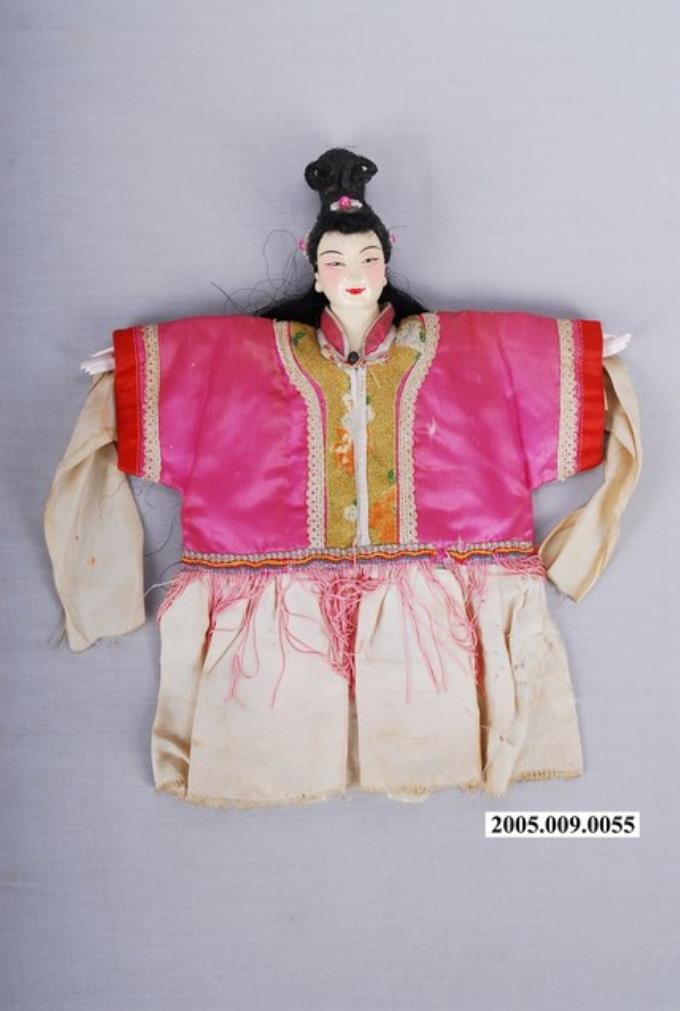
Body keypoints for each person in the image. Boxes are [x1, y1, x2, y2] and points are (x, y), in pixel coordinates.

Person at [44, 148, 641, 808]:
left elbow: (573, 379)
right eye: (336, 261)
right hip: (274, 626)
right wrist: (129, 376)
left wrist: (584, 359)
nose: (354, 275)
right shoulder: (238, 362)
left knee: (431, 723)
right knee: (268, 731)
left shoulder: (468, 353)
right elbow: (137, 396)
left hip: (444, 611)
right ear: (314, 267)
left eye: (367, 259)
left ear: (387, 262)